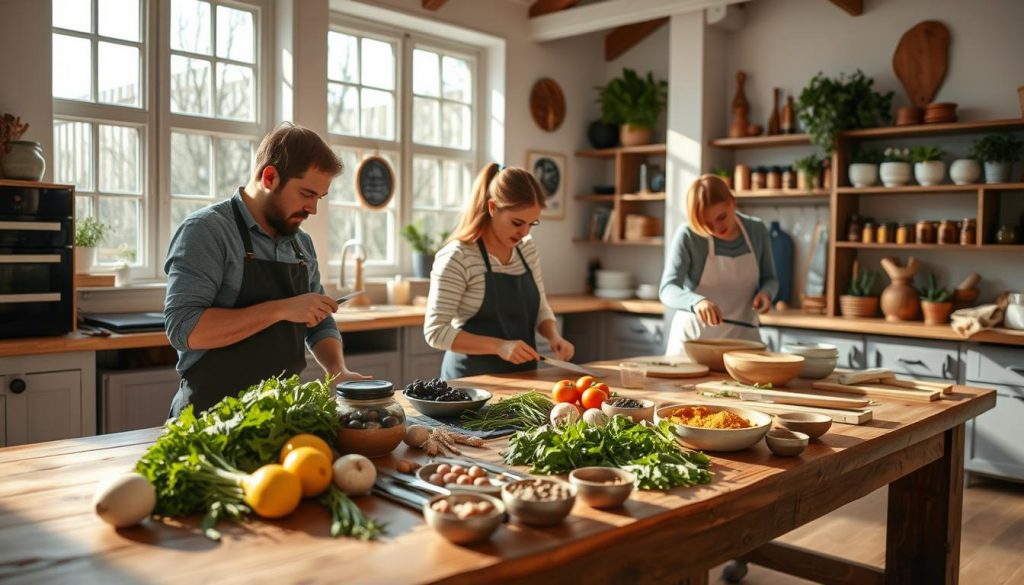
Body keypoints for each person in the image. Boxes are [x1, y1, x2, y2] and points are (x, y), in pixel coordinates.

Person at [164, 122, 368, 417]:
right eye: (307, 194)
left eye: (319, 198)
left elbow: (318, 320)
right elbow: (184, 328)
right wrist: (281, 309)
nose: (313, 209)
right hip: (209, 417)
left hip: (279, 416)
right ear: (269, 177)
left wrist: (337, 370)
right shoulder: (206, 231)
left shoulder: (302, 244)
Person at [424, 163, 575, 379]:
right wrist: (499, 346)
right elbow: (435, 332)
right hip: (469, 386)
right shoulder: (459, 257)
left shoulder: (526, 249)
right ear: (493, 207)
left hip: (523, 381)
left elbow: (541, 306)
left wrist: (554, 336)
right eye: (517, 222)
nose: (524, 232)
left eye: (532, 224)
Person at [660, 174, 778, 353]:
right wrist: (697, 302)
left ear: (732, 202)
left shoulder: (757, 230)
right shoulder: (688, 236)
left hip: (744, 342)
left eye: (721, 217)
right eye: (706, 224)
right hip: (695, 342)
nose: (716, 229)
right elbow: (667, 289)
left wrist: (766, 294)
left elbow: (770, 278)